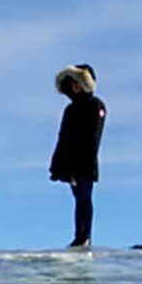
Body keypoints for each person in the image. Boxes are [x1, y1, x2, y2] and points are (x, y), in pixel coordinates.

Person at [49, 63, 105, 248]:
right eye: (72, 83)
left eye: (77, 82)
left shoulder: (95, 106)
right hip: (70, 163)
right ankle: (79, 235)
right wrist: (59, 165)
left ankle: (84, 235)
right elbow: (63, 138)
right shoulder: (70, 110)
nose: (75, 86)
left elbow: (93, 138)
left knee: (84, 198)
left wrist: (84, 164)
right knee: (78, 199)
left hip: (85, 163)